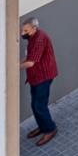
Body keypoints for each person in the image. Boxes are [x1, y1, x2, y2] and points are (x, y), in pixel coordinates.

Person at [20, 16, 59, 145]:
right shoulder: (33, 37)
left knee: (39, 105)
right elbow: (29, 57)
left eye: (26, 31)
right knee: (35, 105)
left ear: (34, 28)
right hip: (35, 77)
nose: (23, 33)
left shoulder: (39, 40)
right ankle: (43, 126)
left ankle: (50, 129)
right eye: (22, 30)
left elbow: (30, 62)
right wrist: (18, 62)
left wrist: (13, 67)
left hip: (43, 77)